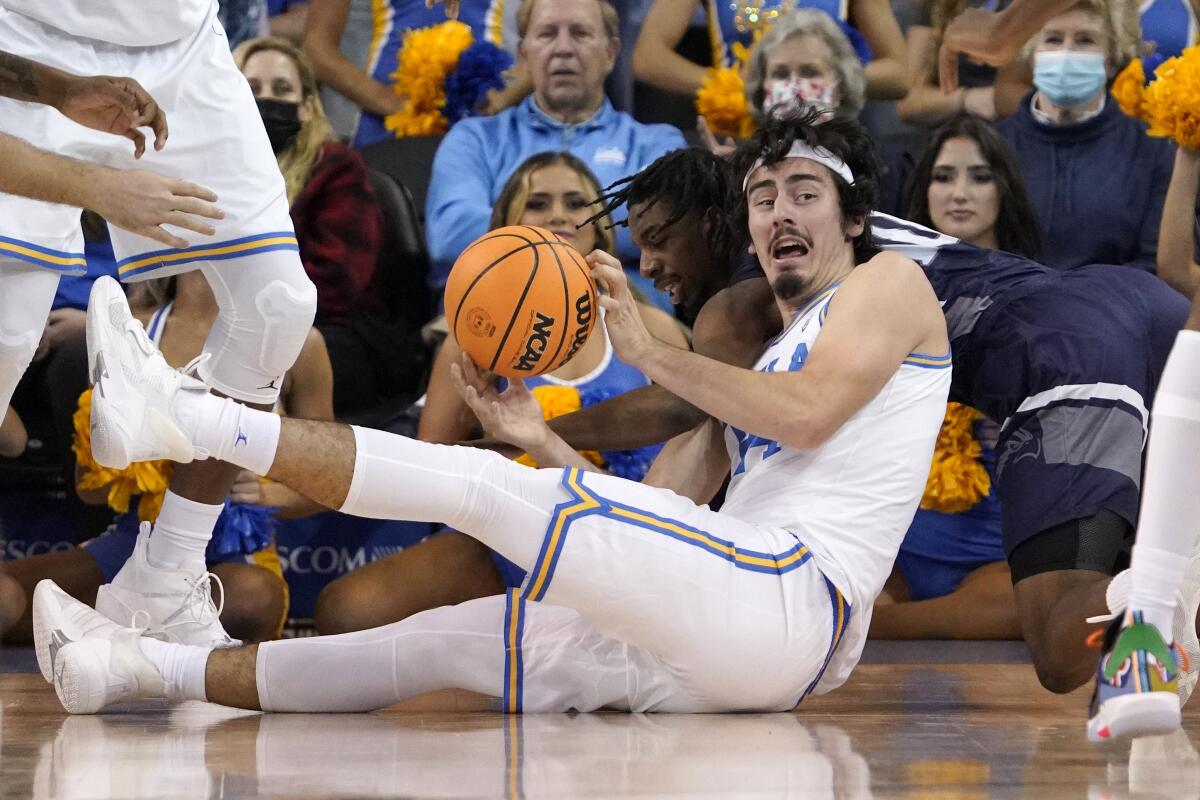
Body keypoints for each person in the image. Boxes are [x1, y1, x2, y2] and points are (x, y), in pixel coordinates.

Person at [38, 111, 953, 717]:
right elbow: (644, 520)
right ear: (747, 225)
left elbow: (806, 414)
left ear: (852, 215)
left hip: (790, 593)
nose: (780, 211)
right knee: (439, 644)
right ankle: (133, 669)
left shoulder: (889, 283)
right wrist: (538, 438)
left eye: (805, 193)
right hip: (732, 631)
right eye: (763, 196)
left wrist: (646, 353)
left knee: (476, 487)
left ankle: (178, 417)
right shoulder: (761, 354)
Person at [543, 117, 1191, 704]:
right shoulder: (823, 228)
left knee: (1057, 641)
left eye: (659, 239)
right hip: (1141, 304)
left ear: (714, 224)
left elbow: (689, 404)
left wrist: (533, 427)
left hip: (1062, 348)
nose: (648, 265)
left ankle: (1159, 593)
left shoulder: (741, 299)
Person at [0, 0, 334, 651]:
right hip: (20, 42)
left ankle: (168, 572)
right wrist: (94, 182)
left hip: (180, 47)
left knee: (278, 301)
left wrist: (68, 89)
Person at [314, 151, 688, 634]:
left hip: (623, 545)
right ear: (507, 227)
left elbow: (681, 489)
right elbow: (432, 468)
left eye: (577, 202)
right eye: (538, 203)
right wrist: (491, 448)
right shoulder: (472, 335)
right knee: (343, 611)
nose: (559, 214)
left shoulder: (655, 330)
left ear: (601, 230)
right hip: (504, 533)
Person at [1, 271, 334, 645]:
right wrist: (123, 465)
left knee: (250, 601)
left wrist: (268, 495)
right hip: (135, 543)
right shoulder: (129, 326)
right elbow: (88, 490)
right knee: (6, 597)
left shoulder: (299, 342)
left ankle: (119, 637)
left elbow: (326, 482)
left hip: (233, 554)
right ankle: (132, 636)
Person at [870, 114, 1043, 641]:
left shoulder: (1040, 301)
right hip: (893, 553)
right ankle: (884, 618)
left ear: (1004, 191)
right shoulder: (877, 292)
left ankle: (878, 628)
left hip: (994, 563)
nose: (959, 192)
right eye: (943, 176)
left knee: (1032, 604)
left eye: (979, 176)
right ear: (923, 192)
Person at [424, 0, 687, 293]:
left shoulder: (657, 144)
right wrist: (585, 233)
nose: (563, 49)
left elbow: (666, 229)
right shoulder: (474, 138)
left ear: (610, 53)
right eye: (547, 34)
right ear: (524, 55)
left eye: (580, 33)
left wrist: (525, 225)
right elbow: (450, 234)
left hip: (627, 316)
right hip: (499, 310)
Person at [235, 37, 416, 418]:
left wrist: (250, 316)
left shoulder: (336, 168)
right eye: (251, 89)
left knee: (256, 368)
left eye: (282, 89)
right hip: (237, 326)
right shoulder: (210, 171)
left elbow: (335, 285)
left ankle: (280, 477)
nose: (267, 99)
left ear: (306, 107)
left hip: (338, 332)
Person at [994, 0, 1171, 272]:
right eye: (1053, 39)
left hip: (1117, 307)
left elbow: (1154, 263)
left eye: (1085, 40)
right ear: (1031, 53)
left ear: (1113, 58)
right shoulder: (991, 147)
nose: (1066, 53)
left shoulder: (1152, 152)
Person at [303, 0, 513, 148]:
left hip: (487, 119)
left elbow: (541, 35)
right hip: (386, 124)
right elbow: (316, 50)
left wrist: (504, 98)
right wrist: (393, 103)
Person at [631, 0, 908, 101]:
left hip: (826, 133)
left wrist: (823, 79)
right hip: (739, 134)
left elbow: (900, 75)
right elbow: (649, 58)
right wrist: (734, 88)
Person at [897, 1, 1033, 127]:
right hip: (957, 132)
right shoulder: (936, 6)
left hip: (1018, 129)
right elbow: (908, 103)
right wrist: (970, 99)